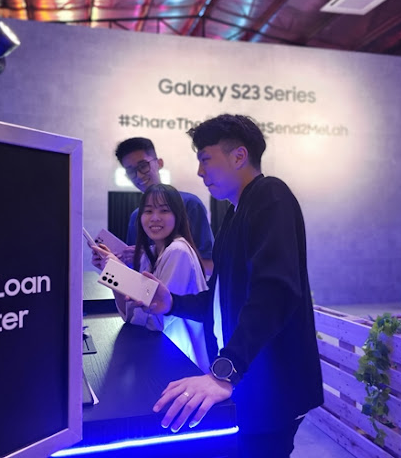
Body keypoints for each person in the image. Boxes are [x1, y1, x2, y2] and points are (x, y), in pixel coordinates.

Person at [136, 115, 323, 457]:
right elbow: (220, 300)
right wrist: (172, 303)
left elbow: (275, 292)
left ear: (239, 156)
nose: (200, 171)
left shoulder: (271, 195)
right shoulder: (235, 214)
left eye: (206, 159)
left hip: (271, 384)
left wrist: (226, 370)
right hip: (247, 379)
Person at [92, 184, 211, 373]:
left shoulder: (178, 251)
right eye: (148, 211)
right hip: (161, 355)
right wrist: (112, 272)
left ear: (178, 216)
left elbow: (156, 321)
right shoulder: (151, 253)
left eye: (164, 210)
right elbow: (130, 316)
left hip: (181, 362)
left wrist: (118, 271)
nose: (155, 218)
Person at [113, 137, 214, 274]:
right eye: (131, 171)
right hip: (146, 287)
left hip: (182, 288)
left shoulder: (190, 204)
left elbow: (209, 266)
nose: (139, 175)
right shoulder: (136, 216)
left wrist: (152, 258)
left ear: (159, 163)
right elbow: (135, 271)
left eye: (143, 166)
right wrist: (114, 261)